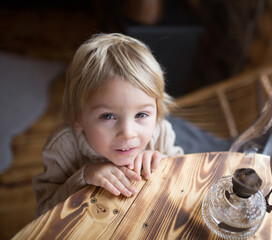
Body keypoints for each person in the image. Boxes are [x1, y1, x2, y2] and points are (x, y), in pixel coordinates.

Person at [32, 33, 184, 217]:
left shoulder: (160, 133)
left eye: (141, 114)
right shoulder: (63, 146)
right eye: (108, 116)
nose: (128, 133)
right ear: (78, 117)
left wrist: (164, 164)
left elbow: (183, 182)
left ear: (157, 111)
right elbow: (44, 212)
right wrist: (85, 177)